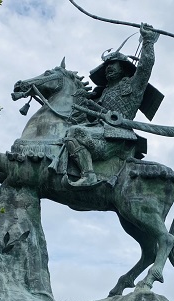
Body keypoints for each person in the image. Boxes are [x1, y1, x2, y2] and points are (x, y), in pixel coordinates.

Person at [64, 23, 162, 187]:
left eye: (113, 64)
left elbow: (145, 67)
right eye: (107, 65)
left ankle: (88, 175)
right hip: (98, 131)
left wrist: (148, 41)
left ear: (123, 68)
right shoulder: (101, 93)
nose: (109, 67)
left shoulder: (133, 86)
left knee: (75, 133)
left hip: (117, 136)